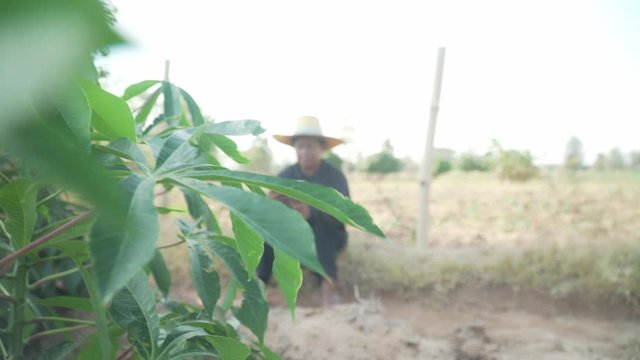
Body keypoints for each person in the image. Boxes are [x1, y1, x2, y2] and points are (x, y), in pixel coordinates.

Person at [256, 115, 349, 307]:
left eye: (310, 146)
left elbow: (342, 216)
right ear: (295, 149)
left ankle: (328, 290)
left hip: (330, 234)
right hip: (292, 232)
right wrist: (273, 203)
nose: (305, 151)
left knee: (323, 230)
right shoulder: (285, 175)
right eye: (300, 147)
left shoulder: (335, 177)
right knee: (267, 236)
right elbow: (270, 211)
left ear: (321, 149)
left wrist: (311, 214)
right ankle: (258, 289)